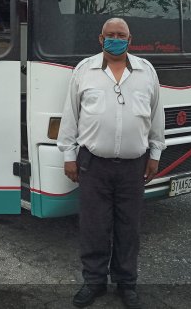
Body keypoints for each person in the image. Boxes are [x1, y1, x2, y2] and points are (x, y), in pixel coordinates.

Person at [58, 18, 165, 309]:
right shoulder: (84, 70)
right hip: (93, 164)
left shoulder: (146, 71)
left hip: (134, 165)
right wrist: (69, 156)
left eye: (121, 35)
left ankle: (126, 284)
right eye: (110, 35)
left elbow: (156, 116)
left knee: (129, 227)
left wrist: (155, 154)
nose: (115, 39)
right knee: (93, 226)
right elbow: (70, 116)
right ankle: (93, 282)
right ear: (100, 38)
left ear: (130, 41)